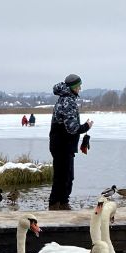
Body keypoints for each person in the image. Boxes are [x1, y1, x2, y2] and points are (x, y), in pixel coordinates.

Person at [47, 74, 92, 211]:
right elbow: (72, 128)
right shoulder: (68, 101)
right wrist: (86, 126)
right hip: (62, 145)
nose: (80, 88)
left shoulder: (64, 98)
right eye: (78, 86)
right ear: (73, 87)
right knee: (63, 177)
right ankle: (56, 204)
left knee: (65, 176)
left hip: (61, 144)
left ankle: (62, 203)